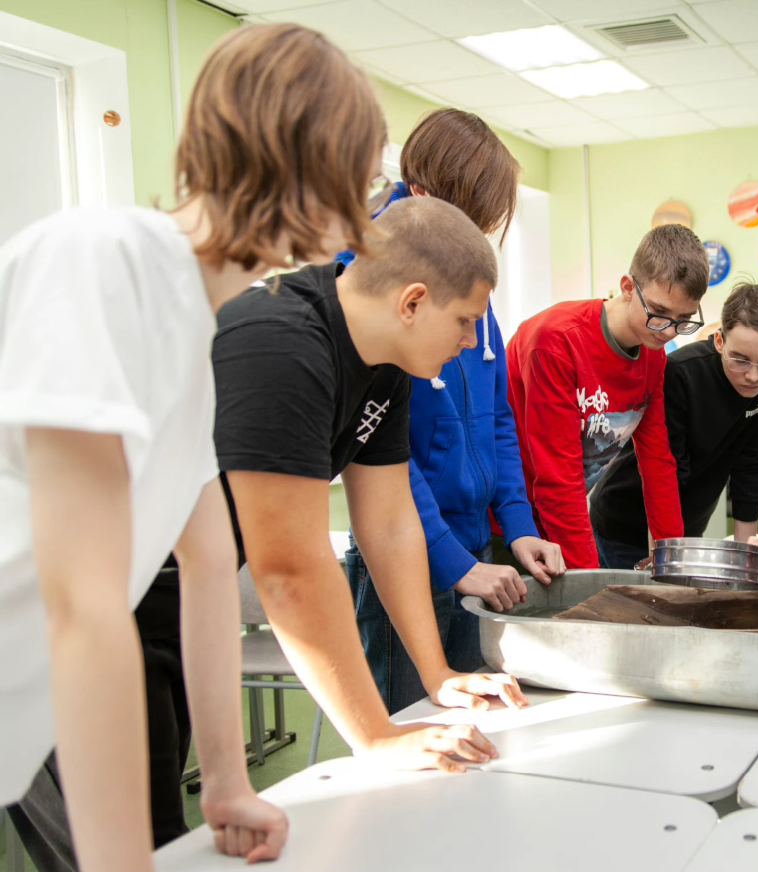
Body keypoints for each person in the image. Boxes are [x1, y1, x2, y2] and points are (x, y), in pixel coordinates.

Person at [0, 22, 378, 870]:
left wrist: (225, 785)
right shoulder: (101, 263)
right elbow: (84, 605)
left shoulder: (192, 325)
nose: (369, 198)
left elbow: (207, 564)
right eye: (365, 171)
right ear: (312, 163)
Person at [215, 196, 528, 779]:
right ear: (412, 302)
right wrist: (377, 737)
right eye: (464, 321)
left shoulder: (388, 366)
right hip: (95, 603)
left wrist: (438, 674)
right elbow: (289, 568)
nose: (470, 342)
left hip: (182, 597)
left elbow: (389, 524)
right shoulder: (284, 343)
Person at [340, 109, 563, 710]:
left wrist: (517, 523)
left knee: (477, 716)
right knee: (416, 723)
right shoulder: (368, 287)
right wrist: (450, 559)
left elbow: (497, 418)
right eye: (467, 222)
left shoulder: (464, 287)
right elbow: (381, 459)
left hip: (475, 548)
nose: (474, 240)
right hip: (408, 551)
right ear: (421, 196)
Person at [505, 225, 709, 569]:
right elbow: (558, 479)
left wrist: (670, 560)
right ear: (628, 287)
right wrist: (589, 578)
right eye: (659, 313)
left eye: (684, 320)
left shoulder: (653, 355)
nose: (670, 331)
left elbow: (658, 460)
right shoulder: (555, 341)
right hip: (509, 525)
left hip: (561, 519)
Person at [589, 281, 758, 569]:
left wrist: (748, 558)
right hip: (627, 521)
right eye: (740, 360)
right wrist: (664, 551)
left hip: (687, 526)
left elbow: (752, 459)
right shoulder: (680, 372)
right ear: (719, 341)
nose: (753, 376)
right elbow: (665, 472)